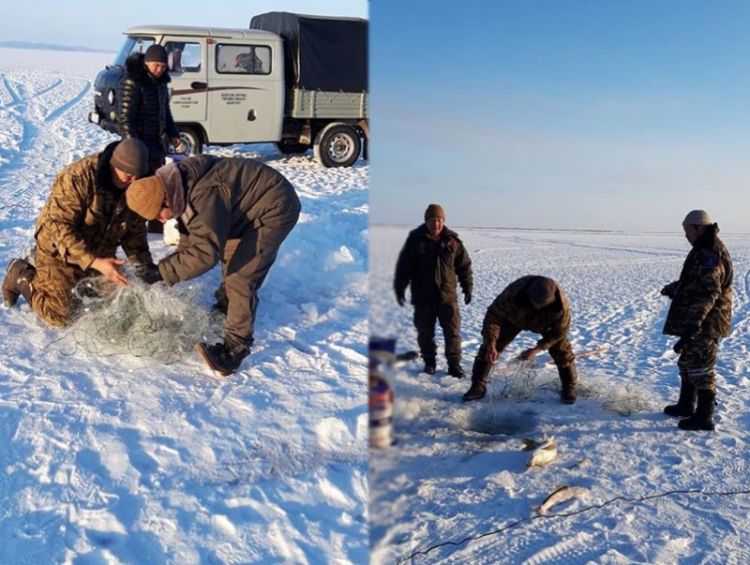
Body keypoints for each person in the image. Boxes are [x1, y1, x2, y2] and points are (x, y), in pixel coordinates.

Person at [124, 155, 301, 376]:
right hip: (243, 211)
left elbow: (205, 254)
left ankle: (234, 348)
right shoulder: (177, 187)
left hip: (274, 206)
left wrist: (162, 272)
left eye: (158, 215)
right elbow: (191, 239)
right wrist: (164, 270)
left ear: (166, 200)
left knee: (241, 275)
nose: (159, 221)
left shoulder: (202, 194)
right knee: (230, 257)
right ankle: (228, 306)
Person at [1, 139, 154, 327]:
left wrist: (144, 269)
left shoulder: (136, 186)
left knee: (118, 304)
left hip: (100, 255)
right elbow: (58, 226)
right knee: (62, 315)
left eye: (139, 176)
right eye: (129, 175)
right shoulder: (79, 177)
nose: (134, 181)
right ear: (115, 166)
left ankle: (62, 274)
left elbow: (134, 233)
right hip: (60, 251)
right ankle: (22, 273)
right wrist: (94, 262)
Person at [660, 210, 733, 431]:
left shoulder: (710, 253)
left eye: (687, 230)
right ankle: (686, 405)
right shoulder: (702, 249)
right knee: (687, 362)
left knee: (701, 367)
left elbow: (709, 293)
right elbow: (695, 281)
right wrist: (675, 288)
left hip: (706, 322)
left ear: (699, 228)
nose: (686, 235)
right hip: (698, 320)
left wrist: (695, 324)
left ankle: (704, 416)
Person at [462, 276, 579, 404]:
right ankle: (477, 385)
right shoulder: (514, 292)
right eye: (535, 302)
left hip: (545, 323)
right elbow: (493, 317)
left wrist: (537, 349)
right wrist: (491, 344)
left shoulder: (561, 305)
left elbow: (560, 332)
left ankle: (569, 386)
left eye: (542, 304)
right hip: (514, 319)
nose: (538, 306)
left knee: (562, 350)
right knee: (490, 347)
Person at [394, 204, 473, 377]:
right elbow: (404, 267)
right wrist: (400, 288)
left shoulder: (453, 242)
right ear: (426, 221)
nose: (436, 224)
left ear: (443, 221)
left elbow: (464, 267)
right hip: (423, 297)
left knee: (452, 333)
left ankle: (454, 365)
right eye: (432, 220)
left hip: (447, 297)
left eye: (439, 220)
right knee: (425, 333)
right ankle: (429, 362)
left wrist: (467, 287)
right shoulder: (416, 240)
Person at [119, 44, 181, 174]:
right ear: (147, 63)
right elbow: (126, 119)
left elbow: (165, 111)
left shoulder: (161, 83)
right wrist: (133, 148)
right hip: (139, 142)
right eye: (156, 65)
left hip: (157, 142)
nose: (160, 70)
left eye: (163, 66)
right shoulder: (133, 81)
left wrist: (173, 133)